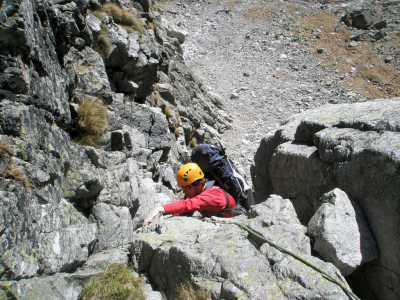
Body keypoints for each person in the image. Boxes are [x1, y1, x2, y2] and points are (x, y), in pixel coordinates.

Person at [142, 163, 238, 226]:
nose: (184, 192)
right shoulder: (196, 191)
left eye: (186, 188)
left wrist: (160, 209)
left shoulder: (212, 195)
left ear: (198, 184)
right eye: (182, 188)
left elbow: (188, 204)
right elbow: (186, 209)